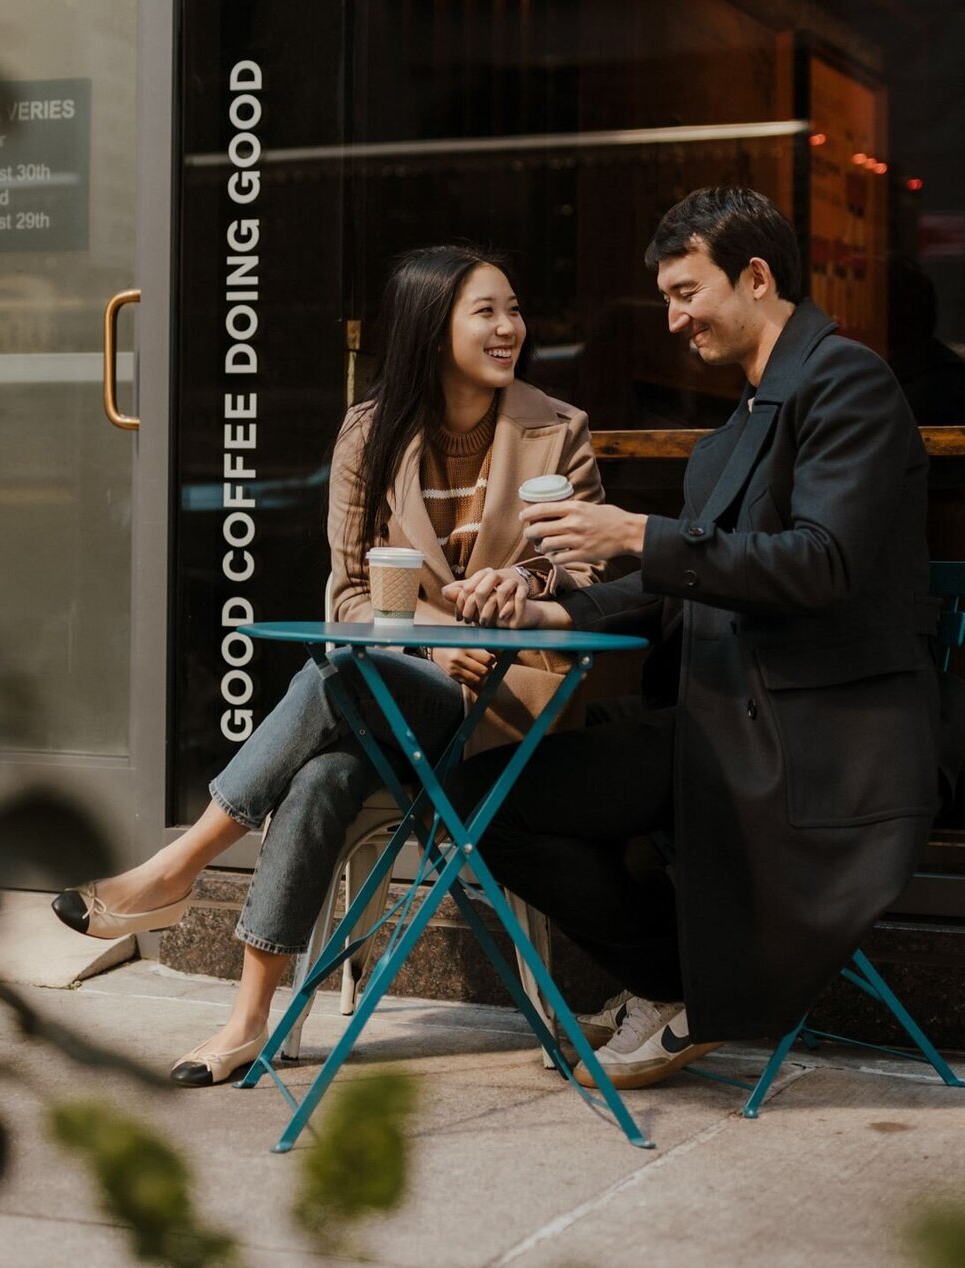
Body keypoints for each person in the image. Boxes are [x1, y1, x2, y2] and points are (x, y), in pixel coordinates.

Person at [52, 244, 605, 1084]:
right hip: (404, 695)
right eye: (485, 311)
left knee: (335, 677)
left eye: (513, 309)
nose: (509, 328)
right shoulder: (369, 433)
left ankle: (176, 867)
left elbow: (587, 575)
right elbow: (348, 597)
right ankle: (244, 1021)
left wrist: (526, 584)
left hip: (507, 709)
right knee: (320, 772)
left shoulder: (556, 430)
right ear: (431, 325)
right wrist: (426, 637)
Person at [448, 188, 950, 1091]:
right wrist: (542, 611)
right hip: (728, 720)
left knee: (501, 797)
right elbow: (678, 587)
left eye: (687, 292)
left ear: (756, 278)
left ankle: (686, 989)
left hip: (822, 742)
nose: (673, 319)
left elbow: (819, 563)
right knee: (484, 795)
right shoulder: (736, 433)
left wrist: (635, 533)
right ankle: (680, 983)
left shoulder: (847, 383)